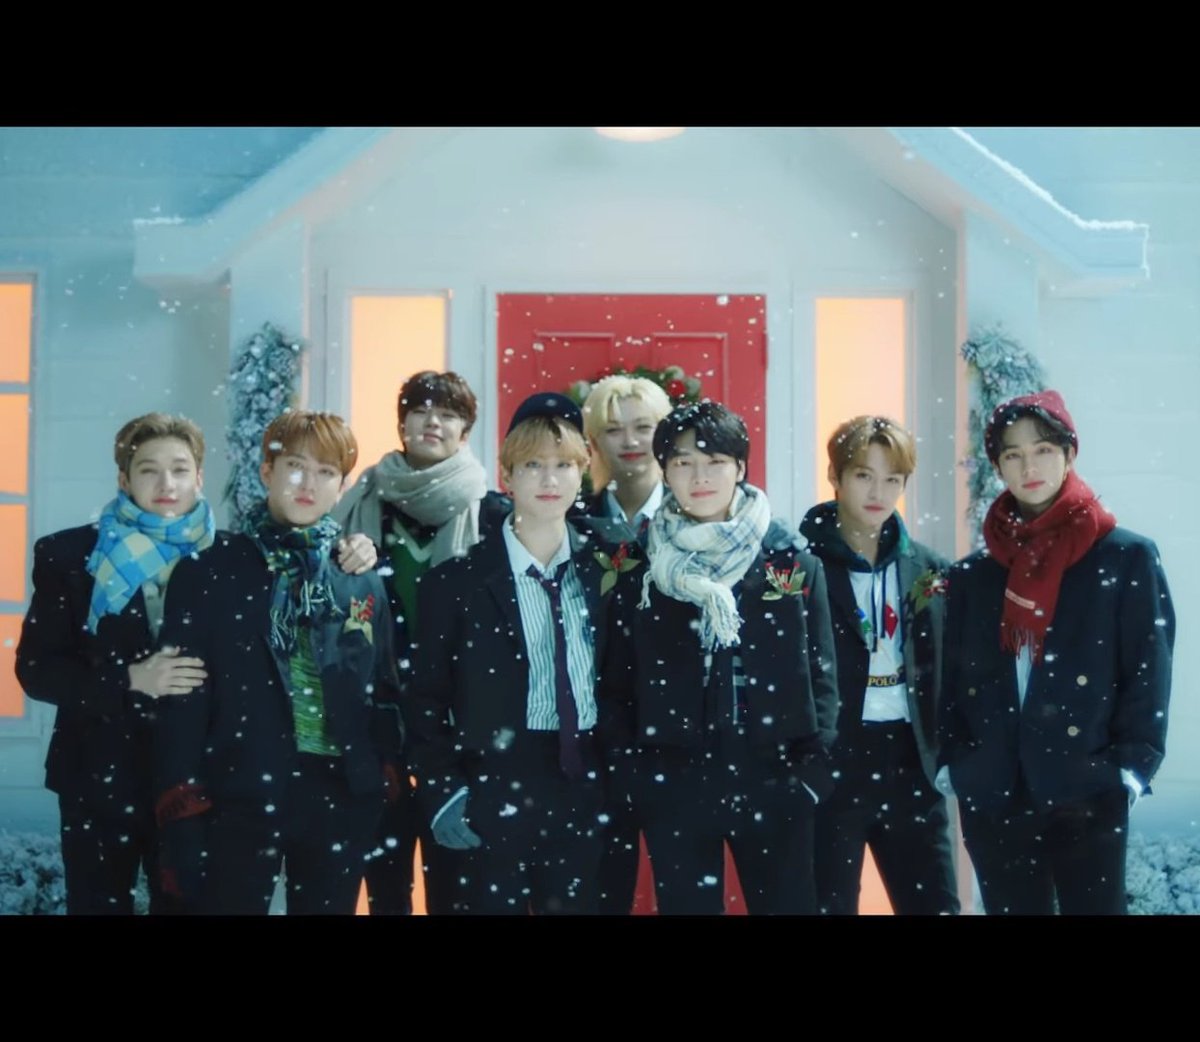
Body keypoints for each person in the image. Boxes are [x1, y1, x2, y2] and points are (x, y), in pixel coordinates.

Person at [153, 410, 401, 914]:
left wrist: (382, 777)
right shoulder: (210, 571)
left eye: (326, 472)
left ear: (342, 486)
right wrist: (181, 800)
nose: (308, 484)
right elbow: (183, 699)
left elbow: (382, 685)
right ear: (267, 471)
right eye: (295, 466)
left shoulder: (357, 575)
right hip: (238, 790)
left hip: (339, 792)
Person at [937, 390, 1174, 914]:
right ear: (998, 466)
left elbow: (1148, 669)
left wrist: (1130, 770)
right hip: (995, 790)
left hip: (1088, 785)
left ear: (1069, 453)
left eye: (1043, 449)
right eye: (1013, 454)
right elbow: (949, 678)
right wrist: (956, 764)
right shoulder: (974, 575)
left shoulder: (1125, 557)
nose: (1029, 467)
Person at [601, 400, 839, 914]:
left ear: (740, 467)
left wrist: (810, 775)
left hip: (775, 773)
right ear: (665, 472)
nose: (700, 477)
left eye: (715, 461)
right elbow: (617, 682)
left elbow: (823, 676)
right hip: (673, 780)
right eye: (683, 462)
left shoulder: (790, 561)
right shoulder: (640, 567)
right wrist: (637, 778)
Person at [408, 393, 629, 914]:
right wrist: (445, 790)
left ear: (583, 472)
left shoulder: (612, 569)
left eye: (564, 465)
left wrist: (622, 780)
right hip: (491, 782)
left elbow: (629, 679)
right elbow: (423, 700)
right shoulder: (456, 583)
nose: (549, 480)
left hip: (585, 781)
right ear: (507, 475)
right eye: (532, 465)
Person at [334, 370, 492, 915]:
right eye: (421, 410)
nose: (433, 422)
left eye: (448, 414)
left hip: (455, 728)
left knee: (457, 889)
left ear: (465, 431)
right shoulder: (364, 503)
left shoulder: (490, 512)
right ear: (402, 422)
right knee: (386, 889)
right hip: (377, 723)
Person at [801, 415, 958, 915]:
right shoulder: (800, 565)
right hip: (834, 759)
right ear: (835, 475)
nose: (878, 492)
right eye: (864, 475)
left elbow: (952, 667)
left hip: (911, 761)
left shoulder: (930, 568)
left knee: (935, 903)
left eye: (893, 479)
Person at [580, 374, 672, 913]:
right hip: (595, 736)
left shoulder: (699, 514)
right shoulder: (573, 519)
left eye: (644, 426)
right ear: (593, 440)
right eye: (613, 429)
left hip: (679, 735)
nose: (630, 441)